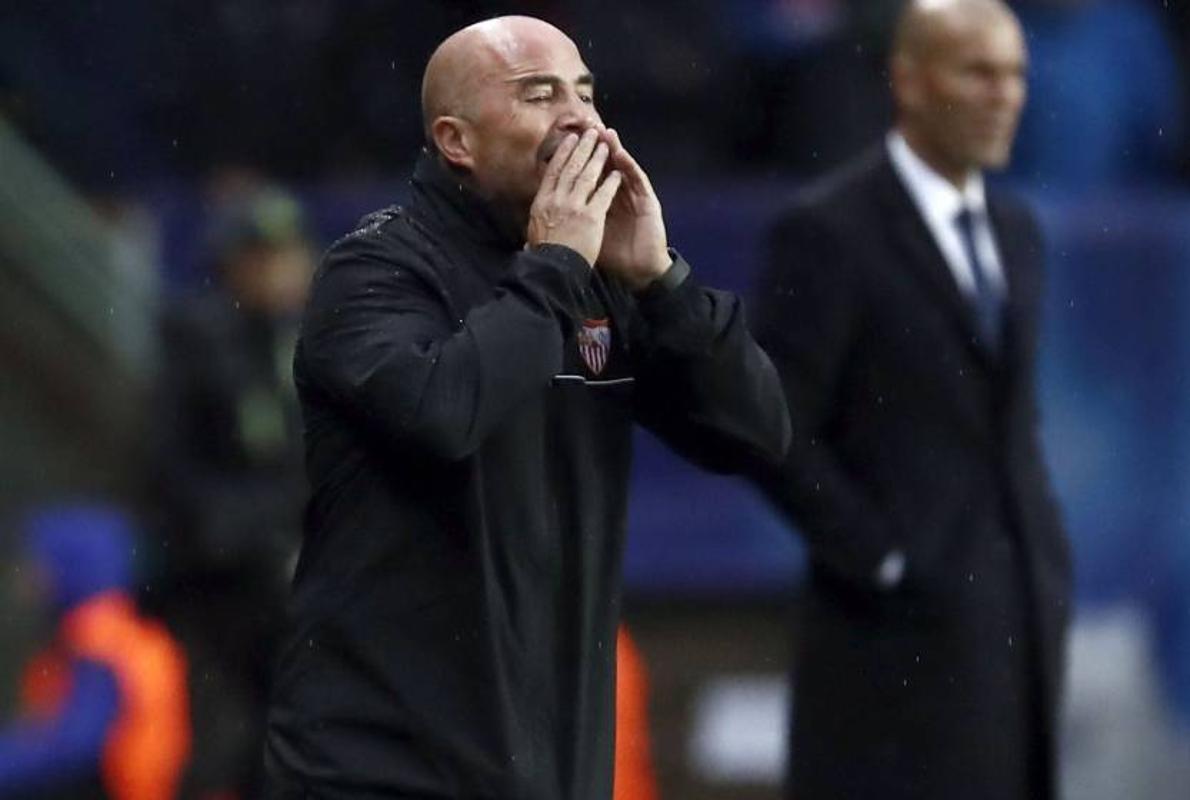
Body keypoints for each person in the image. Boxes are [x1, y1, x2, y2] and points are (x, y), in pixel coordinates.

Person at [263, 14, 790, 800]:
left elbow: (758, 433)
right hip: (381, 766)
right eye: (539, 94)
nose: (578, 117)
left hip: (548, 762)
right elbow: (445, 414)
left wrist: (663, 283)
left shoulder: (598, 274)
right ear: (456, 141)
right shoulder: (373, 272)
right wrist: (554, 265)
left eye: (585, 92)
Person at [751, 1, 1072, 798]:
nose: (1005, 95)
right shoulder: (829, 231)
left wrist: (1043, 559)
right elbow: (771, 423)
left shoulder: (1018, 233)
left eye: (1016, 75)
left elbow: (1005, 422)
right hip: (885, 654)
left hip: (1016, 631)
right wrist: (880, 558)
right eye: (978, 73)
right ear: (910, 81)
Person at [148, 185, 313, 798]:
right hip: (213, 586)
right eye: (264, 255)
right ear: (234, 264)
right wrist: (257, 530)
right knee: (217, 740)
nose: (282, 268)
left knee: (280, 739)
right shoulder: (199, 339)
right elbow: (171, 469)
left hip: (279, 580)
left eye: (289, 253)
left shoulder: (299, 341)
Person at [0, 504, 190, 800]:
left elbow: (73, 745)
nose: (28, 577)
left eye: (39, 564)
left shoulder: (102, 648)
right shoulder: (106, 638)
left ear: (71, 568)